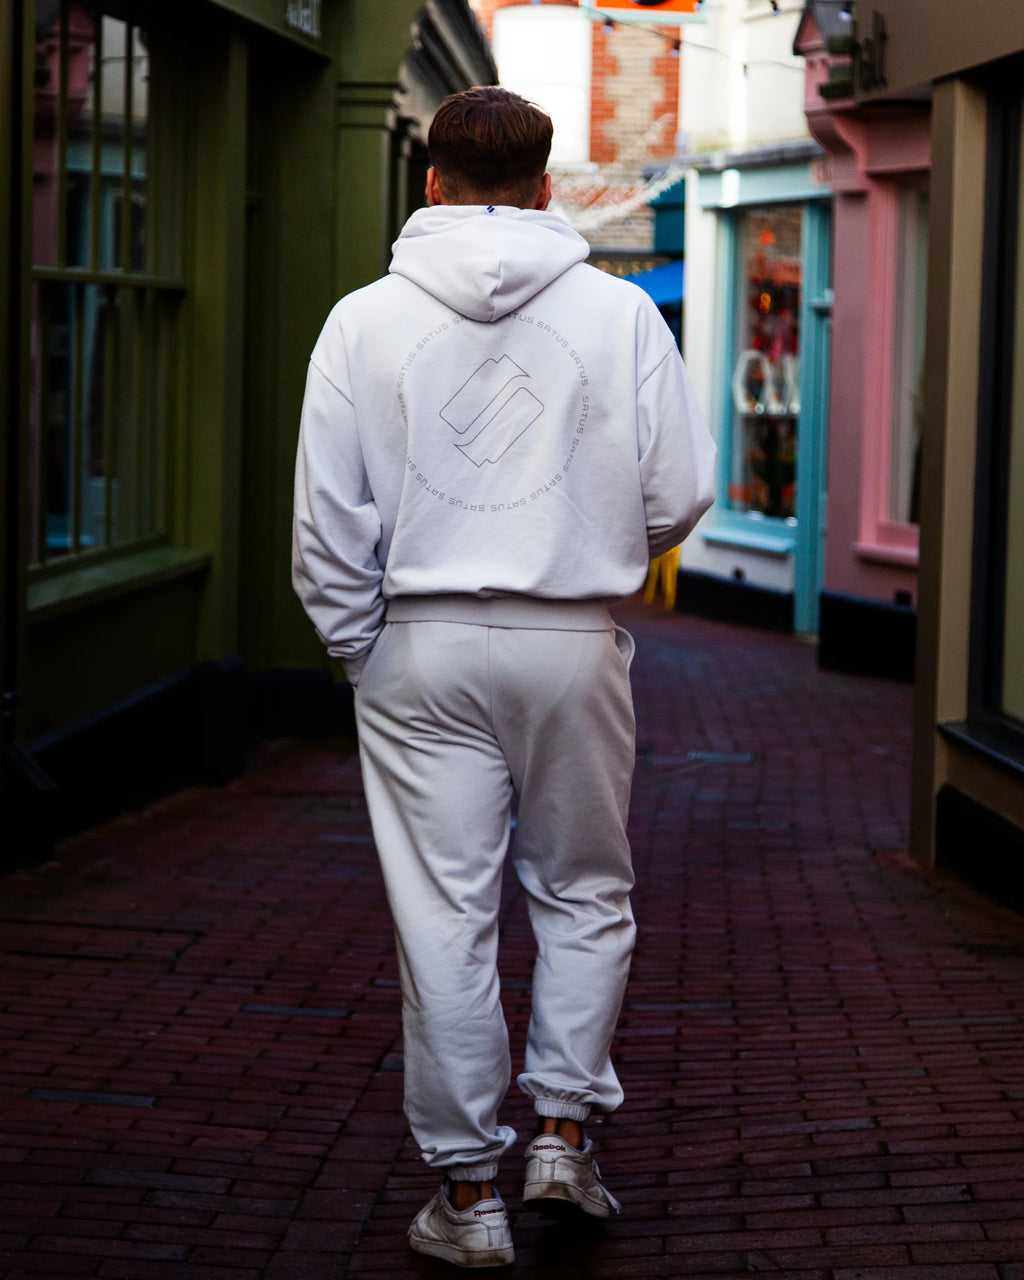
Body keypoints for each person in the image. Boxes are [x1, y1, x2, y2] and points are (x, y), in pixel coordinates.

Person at [292, 86, 715, 1269]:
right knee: (584, 888)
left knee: (444, 915)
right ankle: (565, 1136)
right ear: (544, 186)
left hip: (417, 641)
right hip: (570, 635)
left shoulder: (360, 320)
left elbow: (327, 523)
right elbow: (679, 492)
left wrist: (360, 646)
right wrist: (583, 540)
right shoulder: (622, 313)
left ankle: (467, 1194)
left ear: (429, 182)